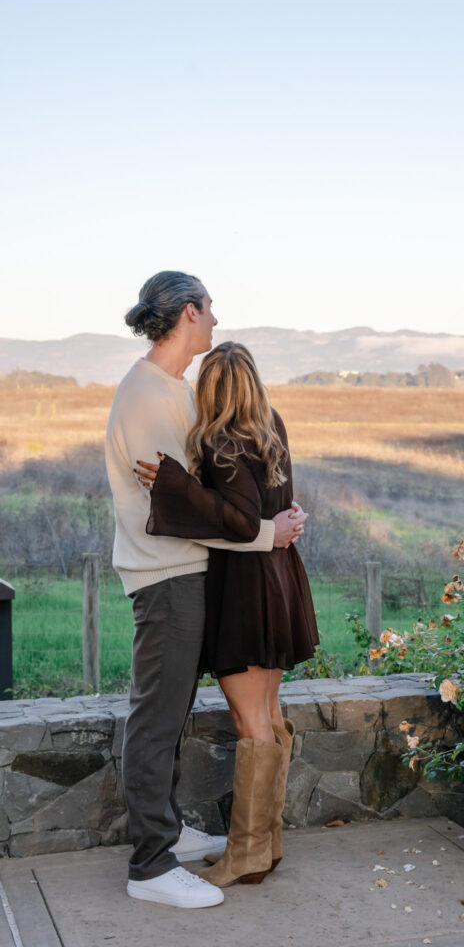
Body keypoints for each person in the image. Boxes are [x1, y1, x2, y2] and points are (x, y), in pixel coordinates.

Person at [105, 272, 306, 910]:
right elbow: (192, 511)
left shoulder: (175, 391)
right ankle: (151, 866)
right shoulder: (146, 396)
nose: (216, 319)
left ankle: (165, 832)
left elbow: (217, 495)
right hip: (164, 575)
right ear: (189, 312)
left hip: (190, 573)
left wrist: (269, 525)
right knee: (156, 719)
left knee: (169, 715)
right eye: (210, 308)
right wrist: (267, 534)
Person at [138, 341, 319, 888]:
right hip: (283, 579)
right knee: (269, 711)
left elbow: (241, 520)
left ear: (212, 389)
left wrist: (177, 487)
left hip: (245, 589)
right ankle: (268, 843)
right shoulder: (272, 425)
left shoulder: (220, 444)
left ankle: (245, 853)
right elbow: (272, 508)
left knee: (251, 722)